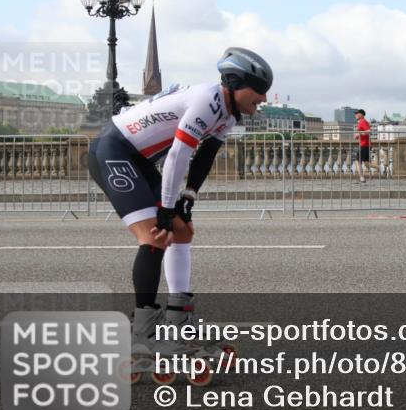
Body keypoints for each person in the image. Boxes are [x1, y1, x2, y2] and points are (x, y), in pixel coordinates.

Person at [87, 47, 271, 366]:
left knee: (181, 232)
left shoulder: (227, 113)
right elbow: (177, 155)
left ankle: (177, 320)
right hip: (114, 151)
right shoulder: (208, 100)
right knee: (156, 235)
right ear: (238, 85)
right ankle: (142, 333)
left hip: (139, 158)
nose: (264, 99)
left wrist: (186, 200)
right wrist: (166, 209)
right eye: (259, 92)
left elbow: (205, 156)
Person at [353, 108, 371, 183]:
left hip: (363, 145)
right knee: (366, 163)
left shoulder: (362, 121)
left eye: (356, 114)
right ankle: (379, 168)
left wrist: (359, 134)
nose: (355, 115)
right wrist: (358, 136)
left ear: (361, 114)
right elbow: (365, 132)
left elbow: (369, 131)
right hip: (365, 144)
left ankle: (362, 178)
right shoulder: (361, 122)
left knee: (357, 161)